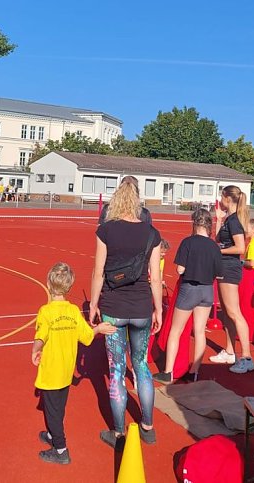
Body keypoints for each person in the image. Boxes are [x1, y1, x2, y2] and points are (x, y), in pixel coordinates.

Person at [90, 181, 163, 449]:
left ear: (116, 199)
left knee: (116, 369)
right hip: (142, 306)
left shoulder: (105, 231)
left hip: (113, 308)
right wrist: (158, 308)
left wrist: (94, 304)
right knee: (141, 365)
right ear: (138, 201)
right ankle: (148, 426)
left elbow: (98, 272)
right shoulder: (151, 234)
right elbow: (155, 278)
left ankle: (119, 432)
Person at [32, 262, 116, 465]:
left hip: (52, 371)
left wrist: (36, 349)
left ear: (48, 284)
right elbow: (86, 336)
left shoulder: (45, 311)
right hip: (66, 371)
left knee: (52, 412)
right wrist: (99, 329)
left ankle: (61, 450)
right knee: (58, 408)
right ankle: (53, 435)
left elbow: (40, 335)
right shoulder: (73, 311)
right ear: (69, 288)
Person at [154, 208, 221, 384]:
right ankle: (195, 371)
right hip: (207, 290)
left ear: (194, 224)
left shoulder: (188, 242)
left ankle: (168, 372)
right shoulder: (214, 246)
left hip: (189, 288)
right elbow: (219, 274)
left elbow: (180, 269)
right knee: (199, 331)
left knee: (176, 330)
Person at [208, 185, 254, 373]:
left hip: (230, 269)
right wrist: (218, 220)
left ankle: (246, 356)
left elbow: (240, 248)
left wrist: (218, 251)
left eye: (222, 196)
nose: (220, 199)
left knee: (234, 312)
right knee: (227, 313)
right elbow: (219, 239)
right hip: (223, 268)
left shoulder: (236, 221)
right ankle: (229, 351)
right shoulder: (229, 219)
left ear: (228, 198)